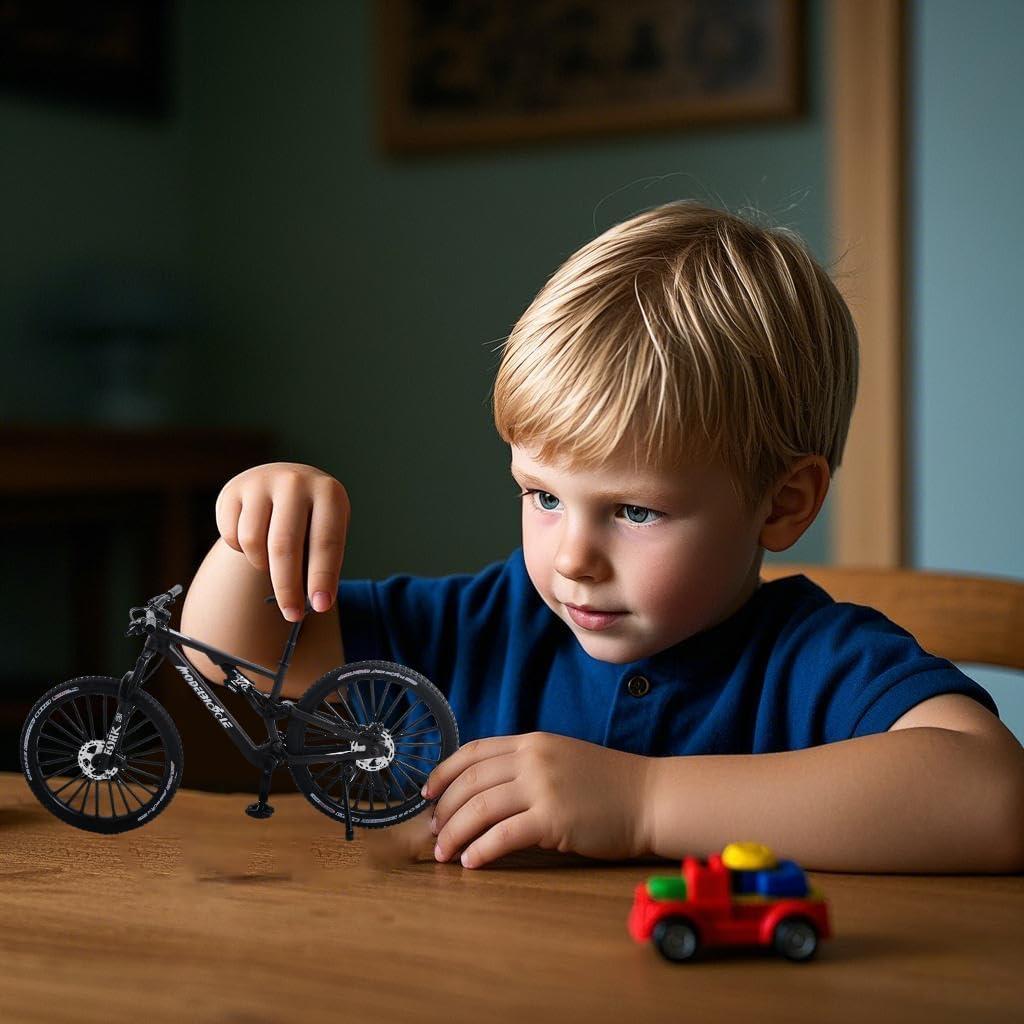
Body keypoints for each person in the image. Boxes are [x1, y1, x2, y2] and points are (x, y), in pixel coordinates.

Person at [180, 200, 1024, 874]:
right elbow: (232, 652)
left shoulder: (809, 660)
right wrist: (253, 534)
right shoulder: (482, 626)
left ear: (782, 503)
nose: (571, 557)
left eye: (633, 511)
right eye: (542, 496)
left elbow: (994, 801)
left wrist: (643, 803)